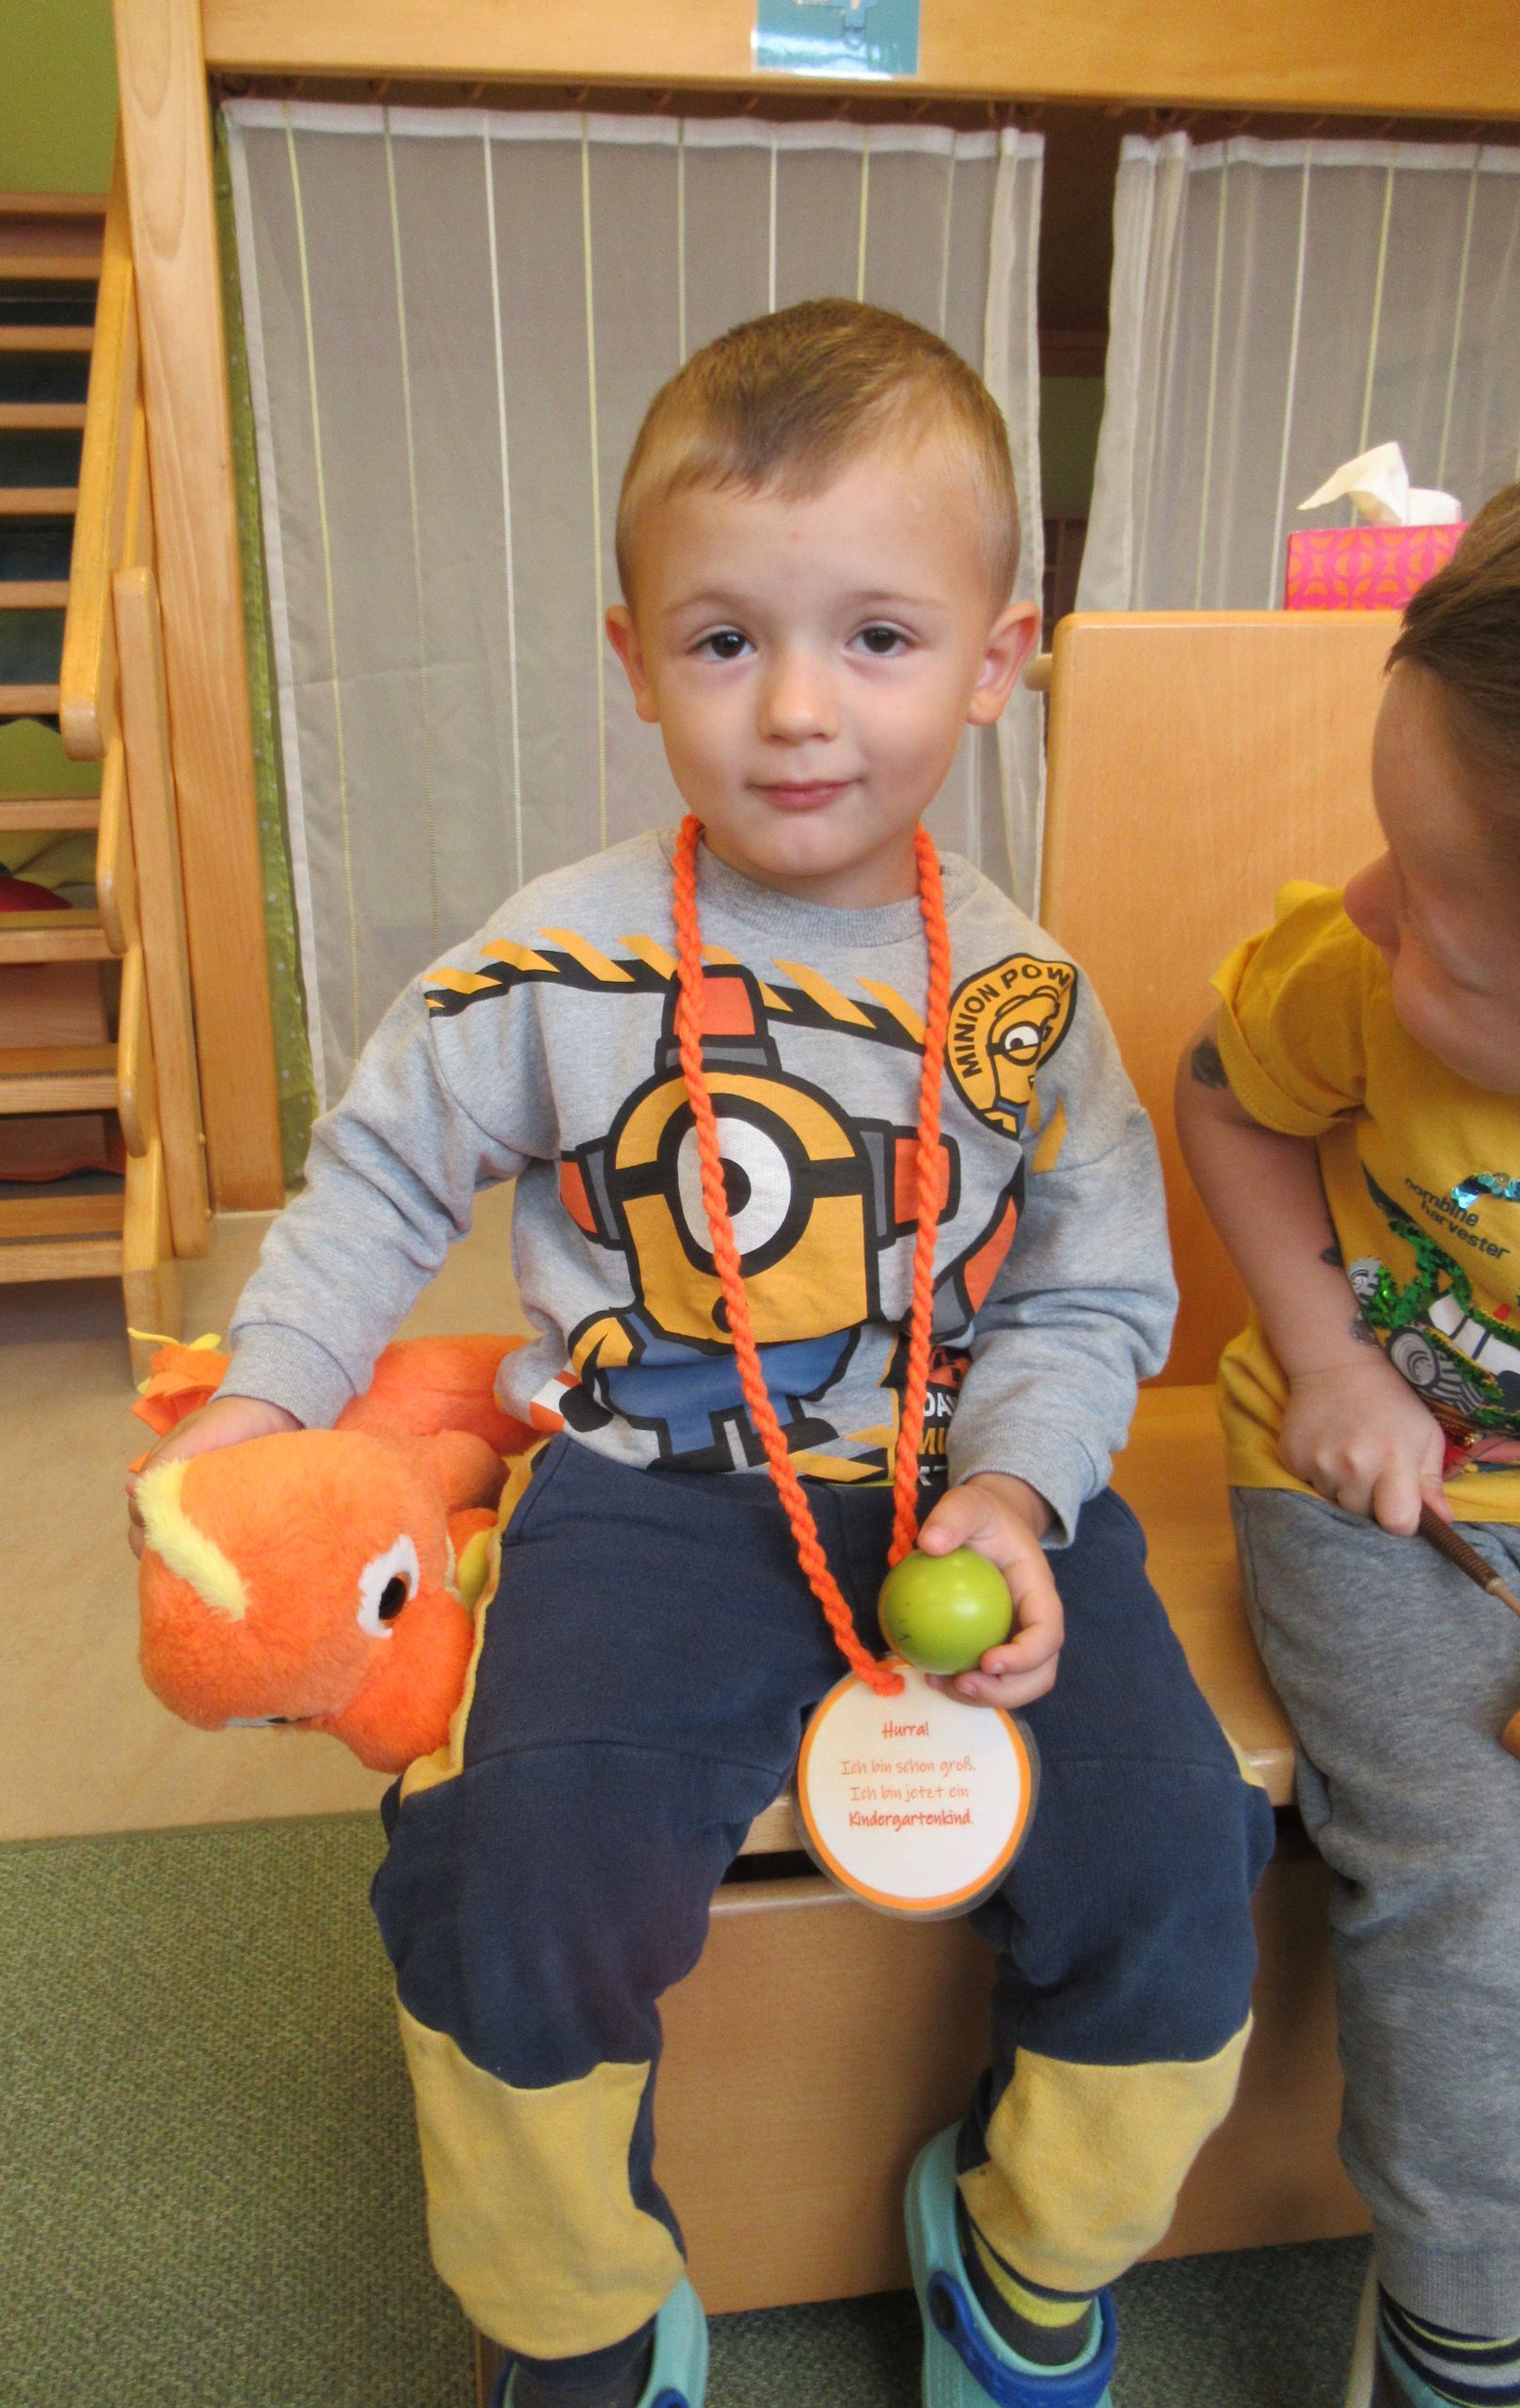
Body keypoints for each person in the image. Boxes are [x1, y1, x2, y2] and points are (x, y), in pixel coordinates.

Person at [132, 299, 1272, 2408]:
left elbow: (1090, 1291)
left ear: (1000, 656)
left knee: (1185, 1866)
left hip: (968, 1495)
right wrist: (262, 1414)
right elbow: (378, 1174)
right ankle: (576, 2313)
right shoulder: (556, 958)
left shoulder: (1023, 997)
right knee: (510, 1884)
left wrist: (1015, 1493)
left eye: (881, 636)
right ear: (635, 656)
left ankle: (1026, 2253)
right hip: (651, 1498)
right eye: (727, 640)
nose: (800, 710)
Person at [1176, 487, 1520, 2408]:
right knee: (1473, 1867)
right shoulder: (1346, 965)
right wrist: (1327, 1358)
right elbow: (1223, 1096)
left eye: (1448, 936)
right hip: (1371, 1499)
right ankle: (1463, 2315)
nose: (1366, 912)